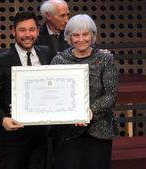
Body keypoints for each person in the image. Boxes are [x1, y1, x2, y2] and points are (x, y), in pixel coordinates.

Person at [0, 11, 54, 169]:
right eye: (22, 30)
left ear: (37, 30)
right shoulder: (0, 60)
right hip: (12, 137)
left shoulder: (47, 54)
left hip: (42, 136)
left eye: (31, 29)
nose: (27, 35)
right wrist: (3, 119)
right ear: (13, 31)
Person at [50, 14, 119, 169]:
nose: (81, 39)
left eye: (85, 34)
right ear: (68, 37)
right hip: (67, 132)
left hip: (99, 130)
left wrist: (90, 112)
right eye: (75, 35)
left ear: (92, 35)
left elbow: (111, 94)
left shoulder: (105, 59)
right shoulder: (59, 61)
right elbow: (53, 95)